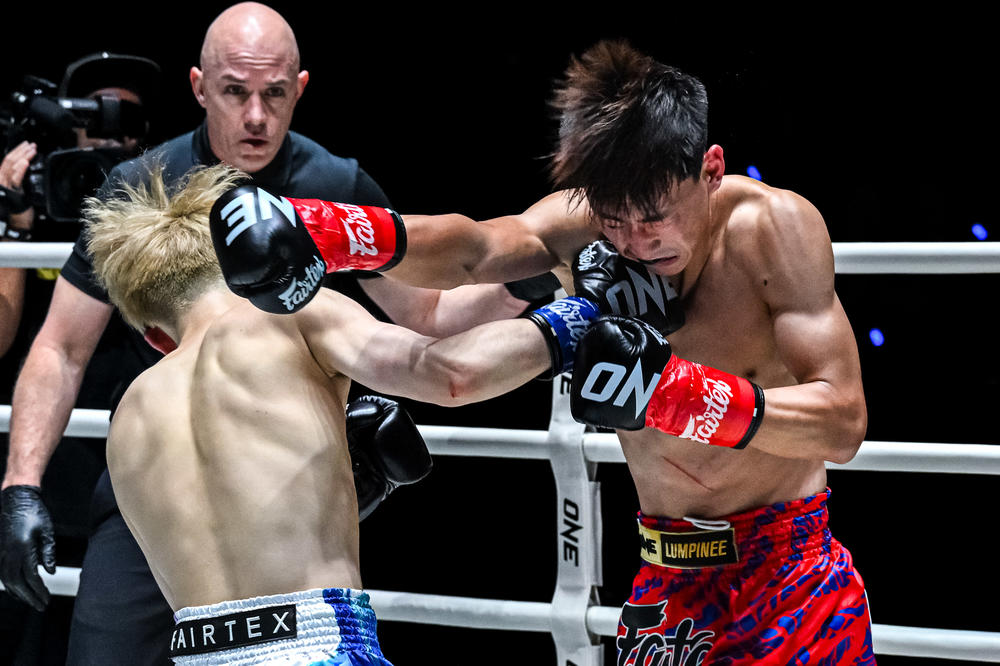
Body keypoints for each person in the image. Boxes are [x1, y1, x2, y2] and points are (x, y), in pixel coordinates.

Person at [229, 40, 874, 663]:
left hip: (788, 573)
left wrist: (675, 394)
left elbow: (843, 423)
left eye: (654, 216)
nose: (634, 242)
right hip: (664, 575)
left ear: (709, 169)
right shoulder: (591, 228)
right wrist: (326, 233)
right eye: (614, 220)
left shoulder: (773, 230)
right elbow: (476, 249)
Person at [0, 3, 540, 664]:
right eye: (235, 92)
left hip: (281, 481)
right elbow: (61, 348)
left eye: (274, 94)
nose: (256, 116)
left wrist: (532, 280)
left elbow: (426, 314)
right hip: (157, 484)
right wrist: (20, 484)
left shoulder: (333, 186)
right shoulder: (142, 192)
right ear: (200, 87)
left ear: (300, 89)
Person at [84, 163, 563, 664]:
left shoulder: (129, 412)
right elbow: (452, 373)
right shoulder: (287, 314)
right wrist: (573, 323)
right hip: (317, 643)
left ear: (154, 337)